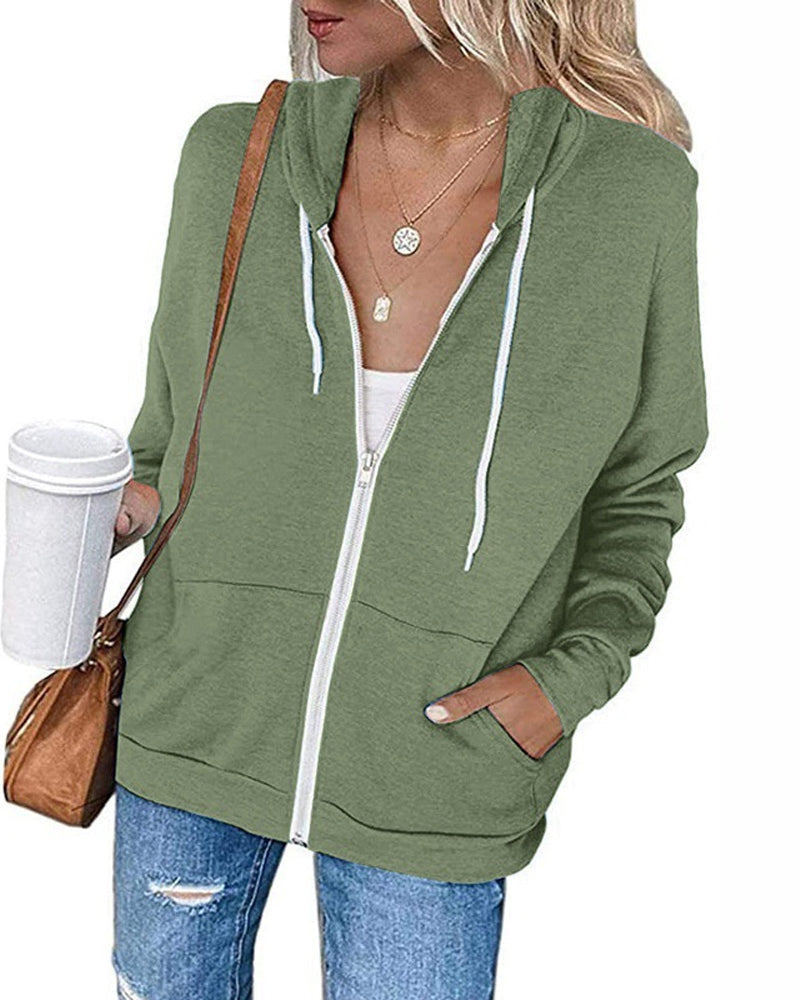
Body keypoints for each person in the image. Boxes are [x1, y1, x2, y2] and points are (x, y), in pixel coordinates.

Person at [109, 2, 708, 997]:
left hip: (439, 765)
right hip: (192, 725)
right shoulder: (234, 155)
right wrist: (113, 511)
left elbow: (637, 485)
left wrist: (570, 678)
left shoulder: (627, 194)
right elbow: (172, 435)